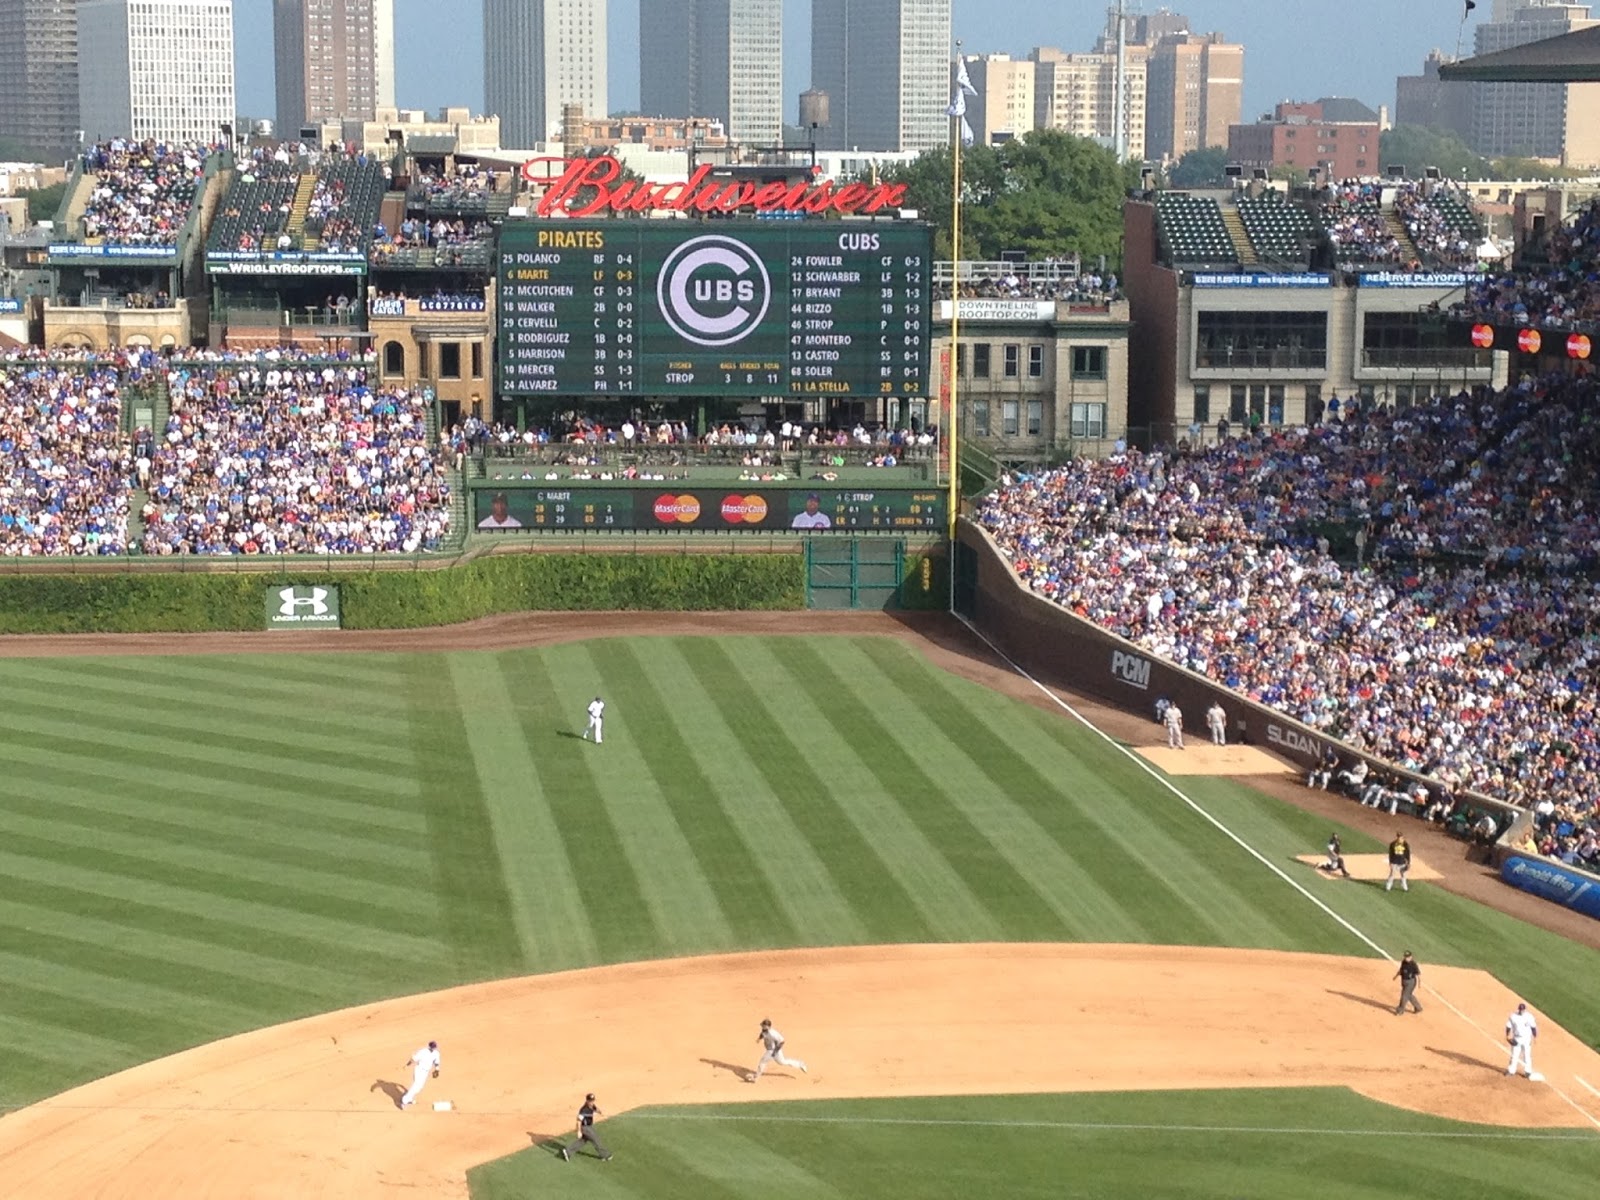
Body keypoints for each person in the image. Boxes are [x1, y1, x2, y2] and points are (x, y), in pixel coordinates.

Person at [561, 1092, 612, 1160]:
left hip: (589, 1126)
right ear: (587, 1101)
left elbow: (596, 1109)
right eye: (590, 1101)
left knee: (582, 1141)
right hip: (585, 1128)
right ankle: (605, 1155)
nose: (592, 1102)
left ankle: (567, 1151)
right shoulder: (584, 1110)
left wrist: (600, 1112)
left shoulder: (592, 1106)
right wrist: (579, 1131)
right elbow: (579, 1121)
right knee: (596, 1139)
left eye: (593, 1100)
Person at [399, 1040, 440, 1109]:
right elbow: (413, 1059)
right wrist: (407, 1065)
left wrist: (437, 1069)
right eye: (432, 1047)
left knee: (419, 1087)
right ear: (429, 1046)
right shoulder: (422, 1051)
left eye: (434, 1047)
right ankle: (404, 1101)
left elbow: (436, 1062)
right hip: (419, 1070)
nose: (433, 1048)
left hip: (426, 1072)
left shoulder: (436, 1053)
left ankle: (409, 1099)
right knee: (416, 1084)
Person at [1505, 1003, 1539, 1078]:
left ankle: (1528, 1072)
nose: (1521, 1011)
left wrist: (1535, 1036)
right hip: (1517, 1038)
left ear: (1525, 1010)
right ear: (1518, 1009)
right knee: (1514, 1055)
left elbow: (1533, 1027)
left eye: (1522, 1010)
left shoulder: (1529, 1017)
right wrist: (1507, 1035)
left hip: (1527, 1039)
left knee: (1527, 1055)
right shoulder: (1513, 1016)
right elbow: (1508, 1027)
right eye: (1520, 1009)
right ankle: (1511, 1071)